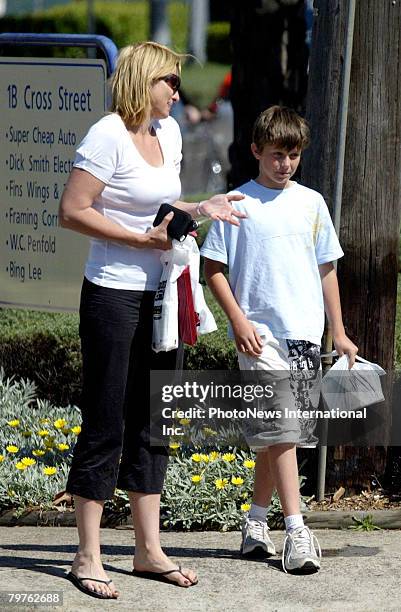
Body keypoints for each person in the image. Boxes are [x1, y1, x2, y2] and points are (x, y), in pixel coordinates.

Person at [59, 41, 245, 600]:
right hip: (113, 297)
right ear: (145, 80)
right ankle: (86, 555)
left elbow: (163, 206)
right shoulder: (107, 135)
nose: (177, 92)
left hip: (164, 296)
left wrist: (200, 208)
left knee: (156, 419)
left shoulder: (169, 133)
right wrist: (142, 239)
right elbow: (73, 211)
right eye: (170, 81)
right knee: (106, 419)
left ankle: (147, 549)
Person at [201, 105, 358, 574]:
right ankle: (296, 530)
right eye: (275, 154)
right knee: (284, 426)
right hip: (259, 337)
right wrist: (239, 322)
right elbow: (213, 270)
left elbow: (326, 268)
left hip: (306, 332)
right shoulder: (237, 203)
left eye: (292, 155)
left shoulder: (312, 203)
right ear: (255, 151)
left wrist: (340, 330)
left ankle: (254, 522)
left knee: (279, 434)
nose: (285, 163)